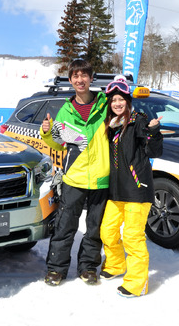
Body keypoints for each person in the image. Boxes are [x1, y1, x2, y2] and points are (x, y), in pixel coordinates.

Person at [40, 59, 110, 286]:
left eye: (84, 75)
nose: (80, 80)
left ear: (91, 78)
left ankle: (88, 267)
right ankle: (56, 269)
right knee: (65, 226)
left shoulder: (104, 106)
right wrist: (47, 133)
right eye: (75, 76)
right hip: (74, 177)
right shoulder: (66, 111)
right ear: (70, 80)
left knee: (95, 228)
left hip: (101, 178)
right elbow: (58, 143)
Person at [99, 76, 163, 297]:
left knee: (133, 237)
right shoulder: (111, 125)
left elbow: (154, 152)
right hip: (116, 191)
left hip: (137, 189)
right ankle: (116, 265)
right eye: (113, 100)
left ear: (128, 101)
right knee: (107, 231)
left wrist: (154, 132)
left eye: (121, 99)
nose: (117, 103)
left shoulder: (138, 121)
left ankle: (137, 283)